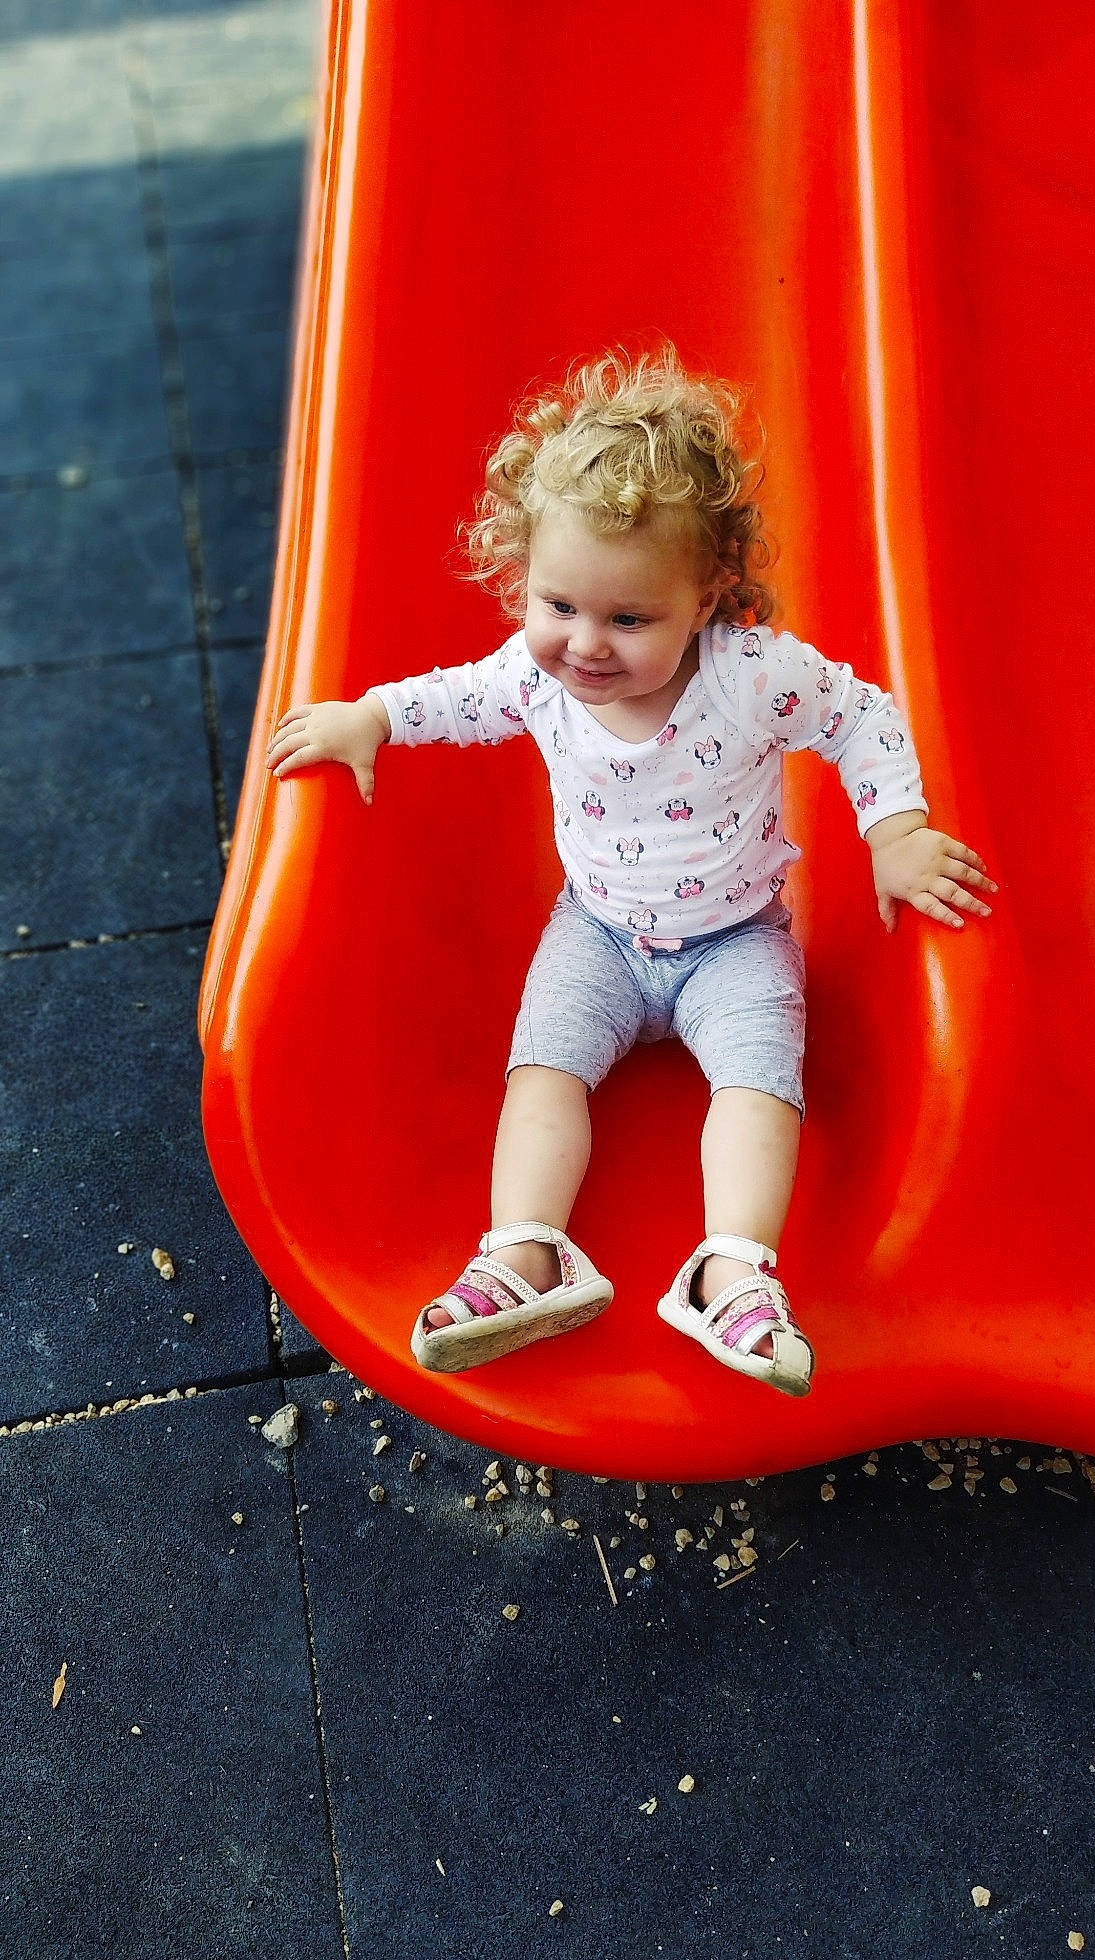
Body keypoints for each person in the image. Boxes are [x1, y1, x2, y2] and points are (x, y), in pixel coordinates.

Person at [266, 346, 995, 1394]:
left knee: (757, 1086)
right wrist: (368, 716)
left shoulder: (751, 674)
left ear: (704, 599)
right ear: (525, 581)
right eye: (558, 604)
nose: (585, 644)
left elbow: (858, 714)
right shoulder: (536, 671)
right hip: (595, 932)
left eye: (628, 618)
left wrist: (894, 827)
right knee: (542, 1074)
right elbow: (458, 696)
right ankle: (523, 1253)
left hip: (735, 940)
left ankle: (730, 1271)